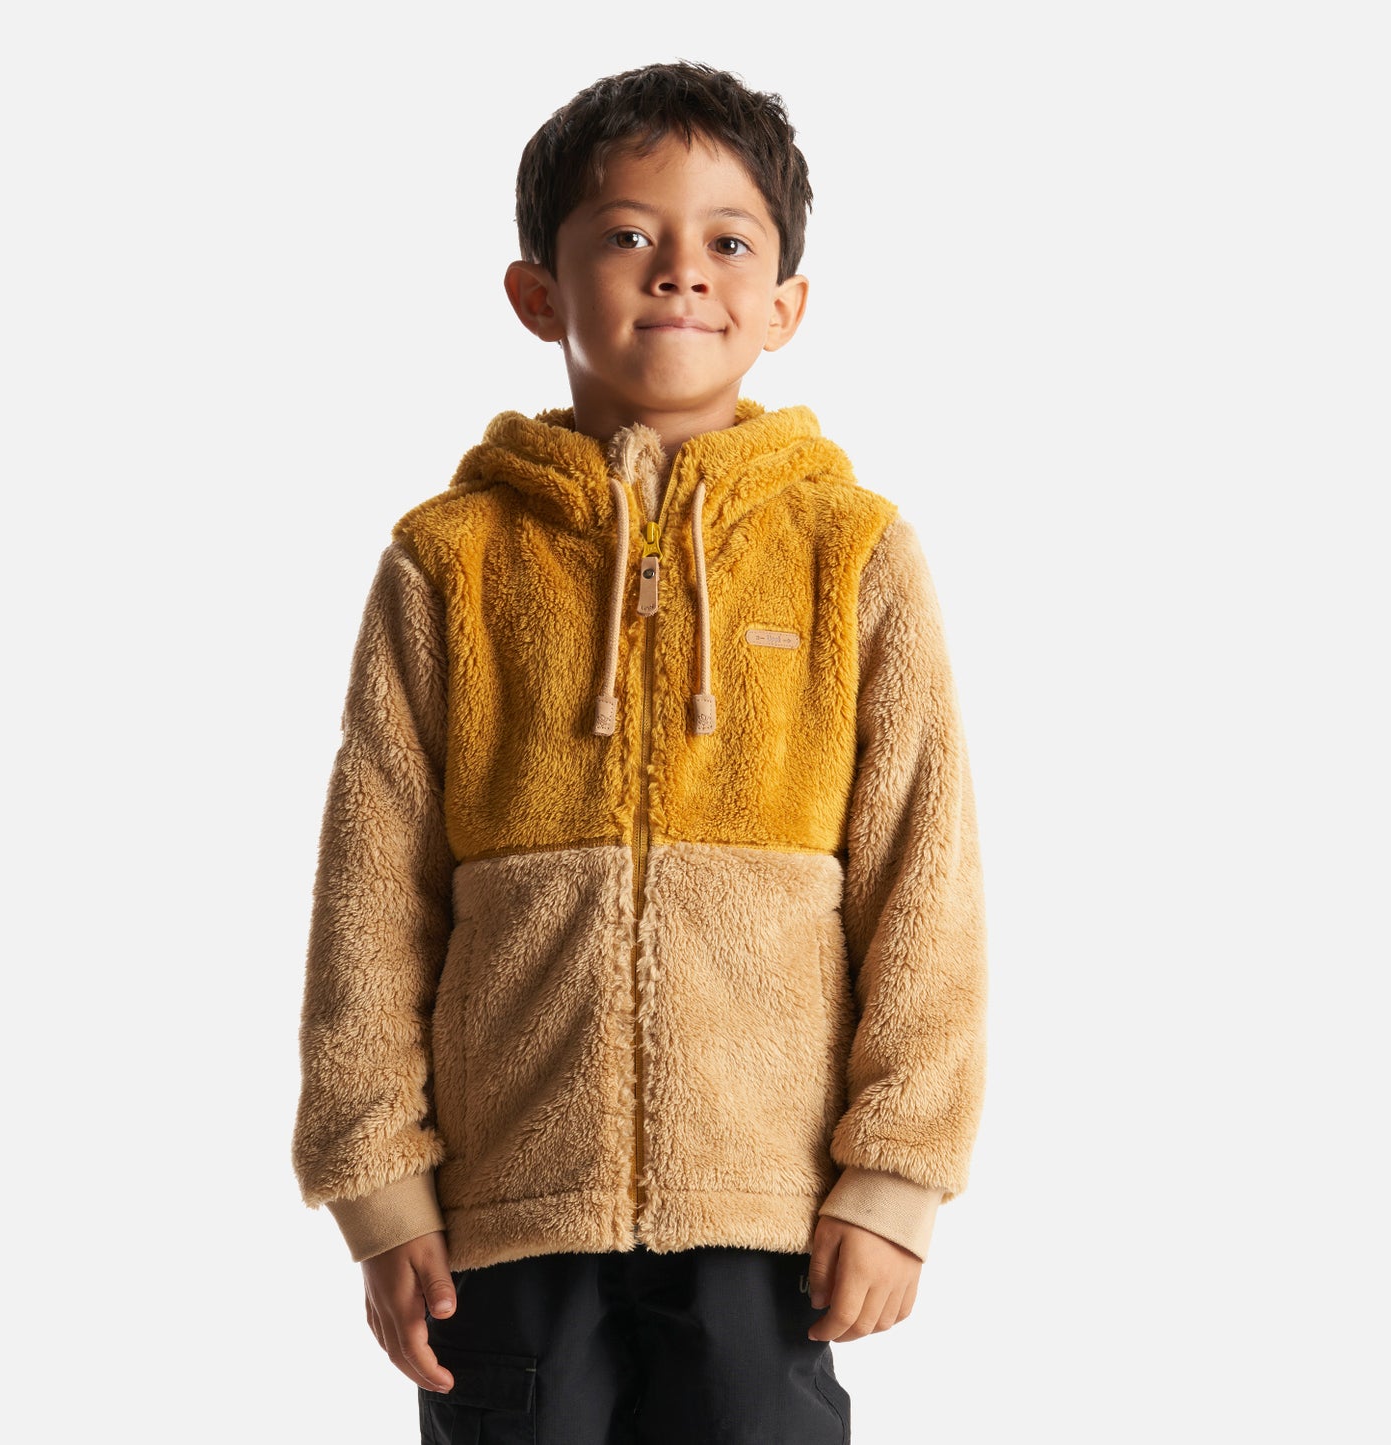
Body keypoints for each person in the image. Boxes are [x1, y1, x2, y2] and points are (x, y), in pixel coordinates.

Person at [291, 59, 988, 1444]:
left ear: (784, 305)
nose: (680, 272)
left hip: (766, 1206)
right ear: (537, 292)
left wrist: (895, 1176)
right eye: (626, 235)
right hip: (506, 1201)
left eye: (728, 242)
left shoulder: (851, 554)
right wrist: (380, 1184)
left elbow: (924, 882)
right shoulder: (449, 561)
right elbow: (371, 887)